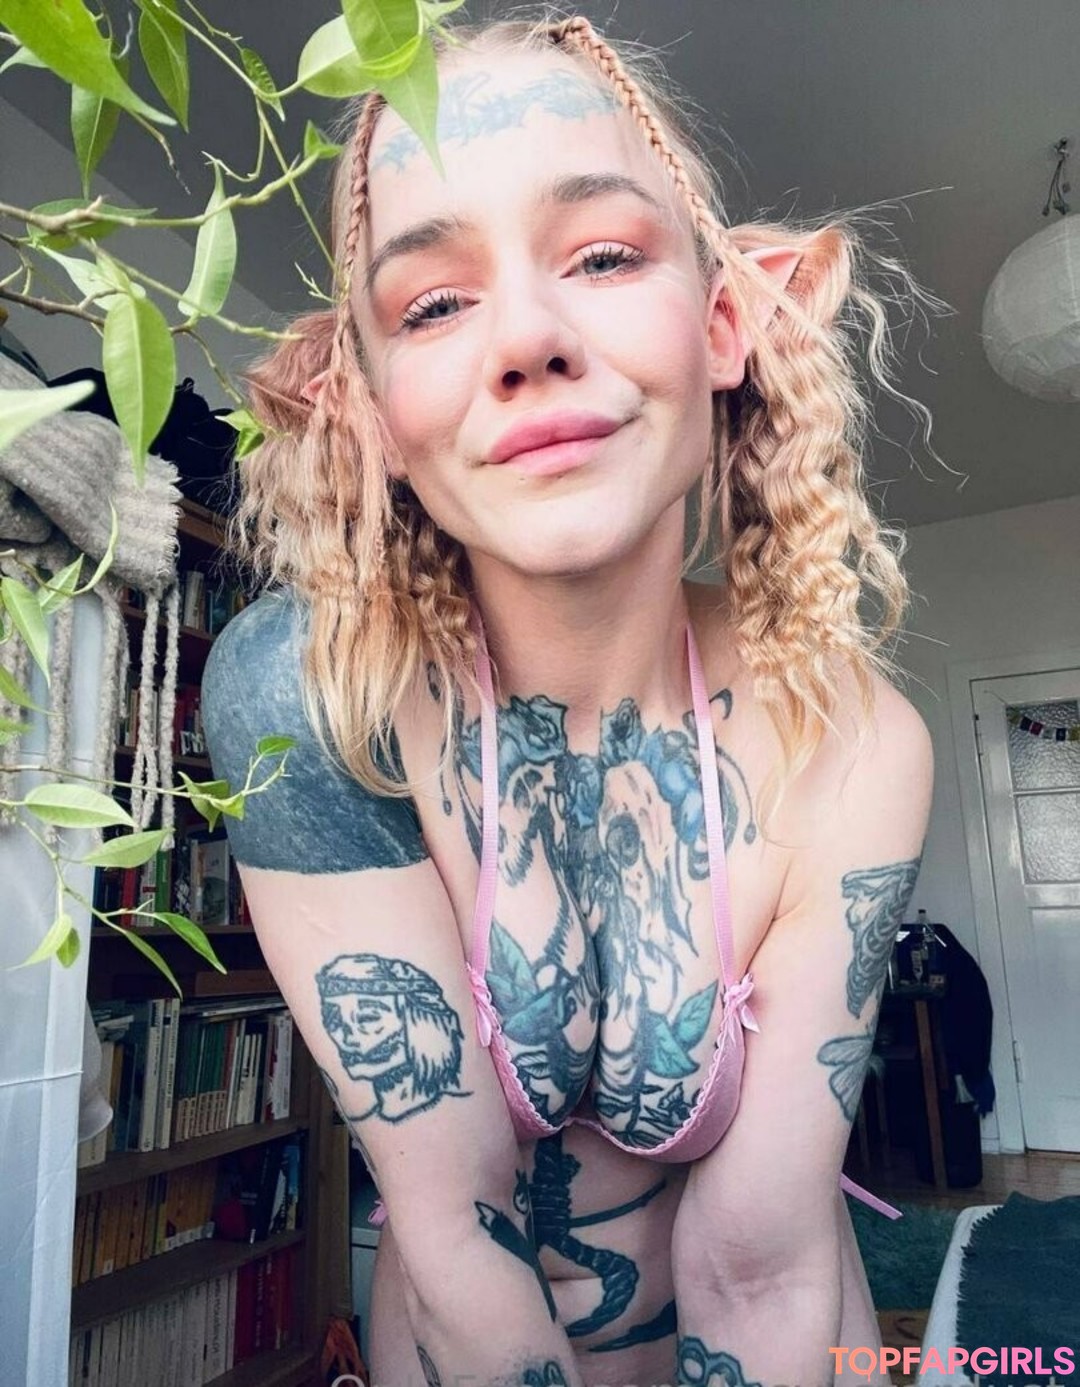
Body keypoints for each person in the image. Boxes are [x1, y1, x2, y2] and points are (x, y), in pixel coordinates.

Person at [201, 13, 936, 1386]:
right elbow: (455, 1235)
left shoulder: (852, 741)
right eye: (433, 304)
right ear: (369, 412)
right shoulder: (313, 698)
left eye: (602, 256)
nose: (528, 339)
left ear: (723, 327)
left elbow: (762, 1263)